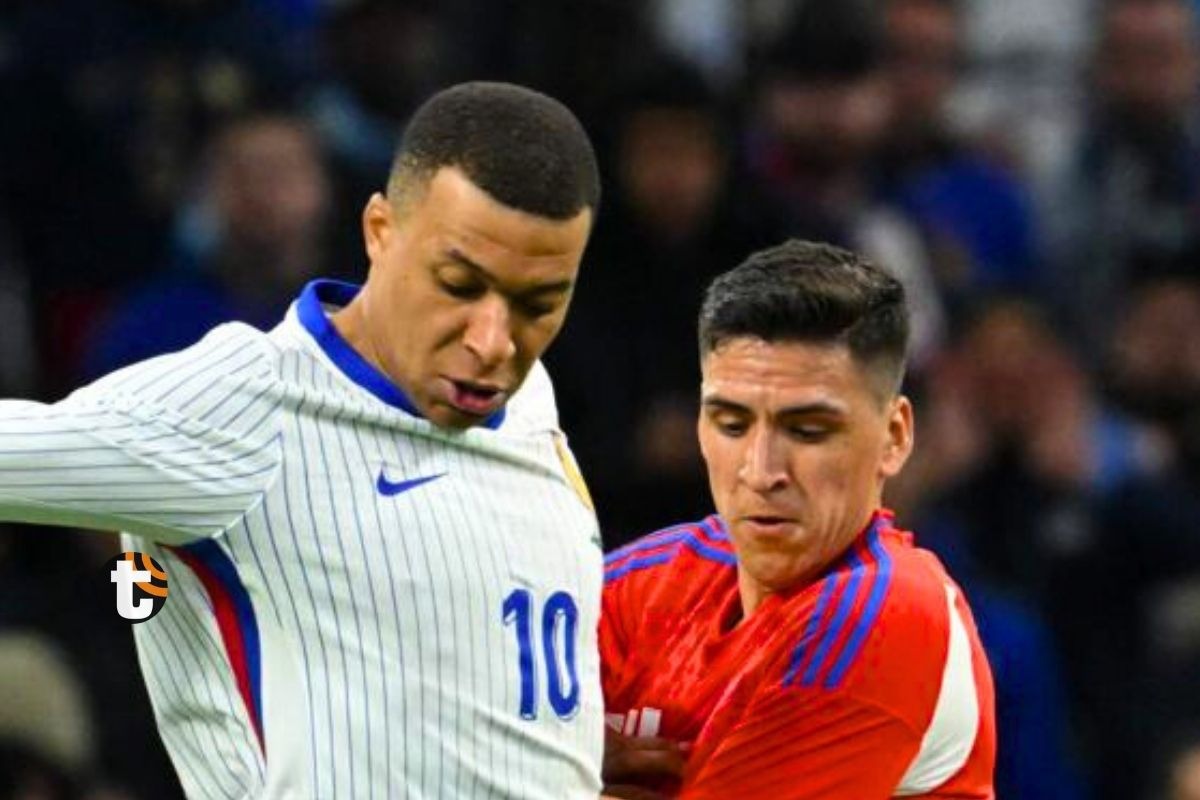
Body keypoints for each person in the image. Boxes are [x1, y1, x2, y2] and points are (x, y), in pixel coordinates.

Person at [0, 82, 606, 799]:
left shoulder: (530, 397)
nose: (493, 341)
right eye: (456, 284)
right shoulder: (240, 410)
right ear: (379, 230)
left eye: (539, 303)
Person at [599, 240, 996, 798]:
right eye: (732, 424)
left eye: (807, 431)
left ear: (895, 436)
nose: (761, 471)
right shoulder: (647, 582)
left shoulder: (887, 612)